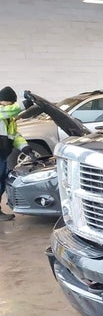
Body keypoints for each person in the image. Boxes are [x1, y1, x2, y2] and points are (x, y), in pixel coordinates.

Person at [0, 86, 38, 221]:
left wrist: (27, 149)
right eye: (10, 102)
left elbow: (15, 136)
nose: (12, 105)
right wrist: (26, 103)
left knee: (2, 181)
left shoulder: (9, 119)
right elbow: (11, 110)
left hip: (2, 156)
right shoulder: (2, 111)